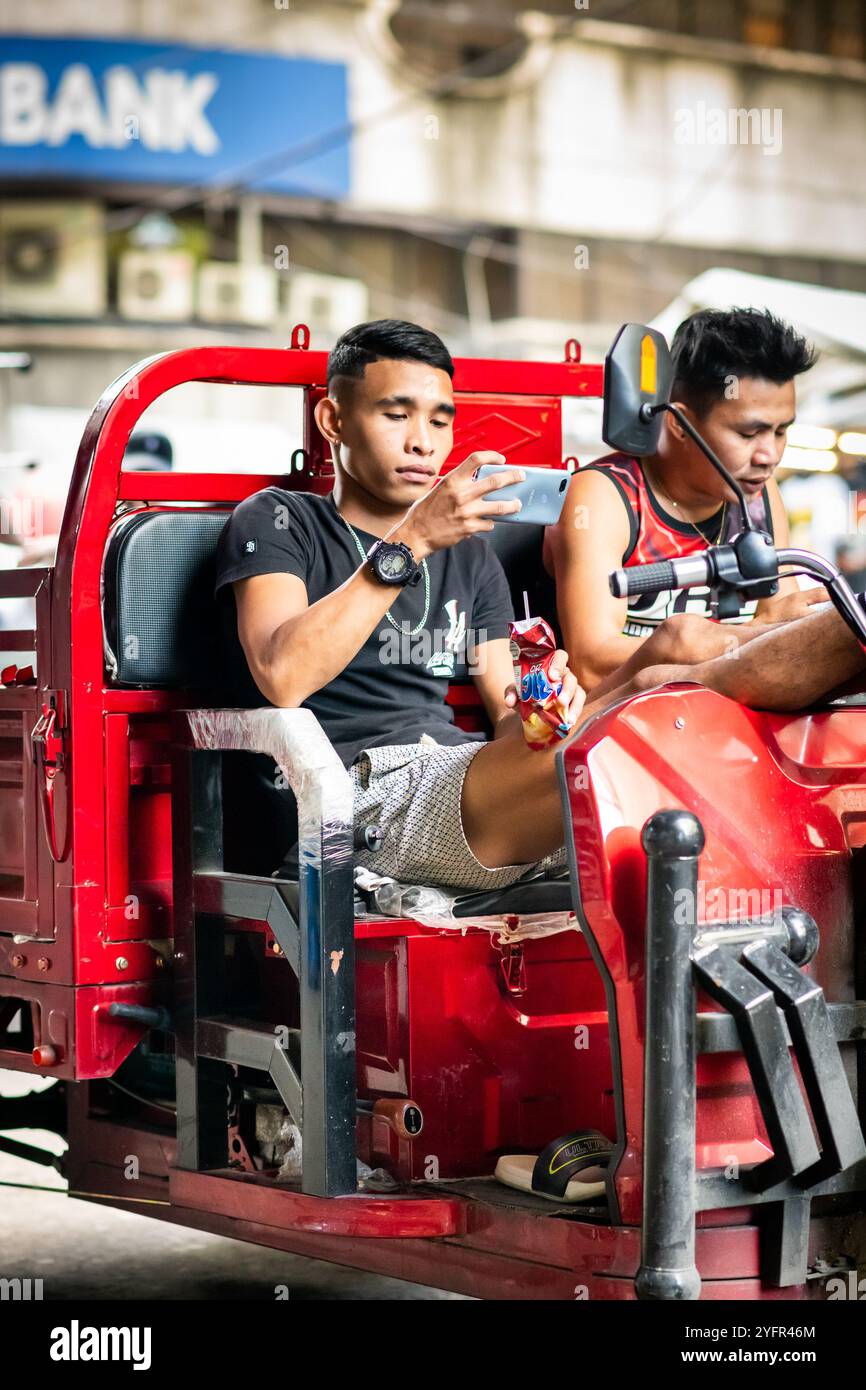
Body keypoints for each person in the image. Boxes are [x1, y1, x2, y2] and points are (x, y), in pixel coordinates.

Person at [214, 319, 585, 891]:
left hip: (456, 772)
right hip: (342, 792)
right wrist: (414, 540)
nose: (424, 442)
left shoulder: (474, 558)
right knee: (593, 775)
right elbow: (283, 677)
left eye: (440, 420)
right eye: (396, 414)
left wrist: (545, 713)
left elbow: (507, 716)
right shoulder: (280, 520)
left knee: (624, 740)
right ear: (333, 421)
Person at [549, 308, 825, 694]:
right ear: (679, 423)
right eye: (750, 433)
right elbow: (592, 662)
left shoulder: (760, 498)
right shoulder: (605, 497)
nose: (770, 455)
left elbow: (780, 621)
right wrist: (750, 636)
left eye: (780, 432)